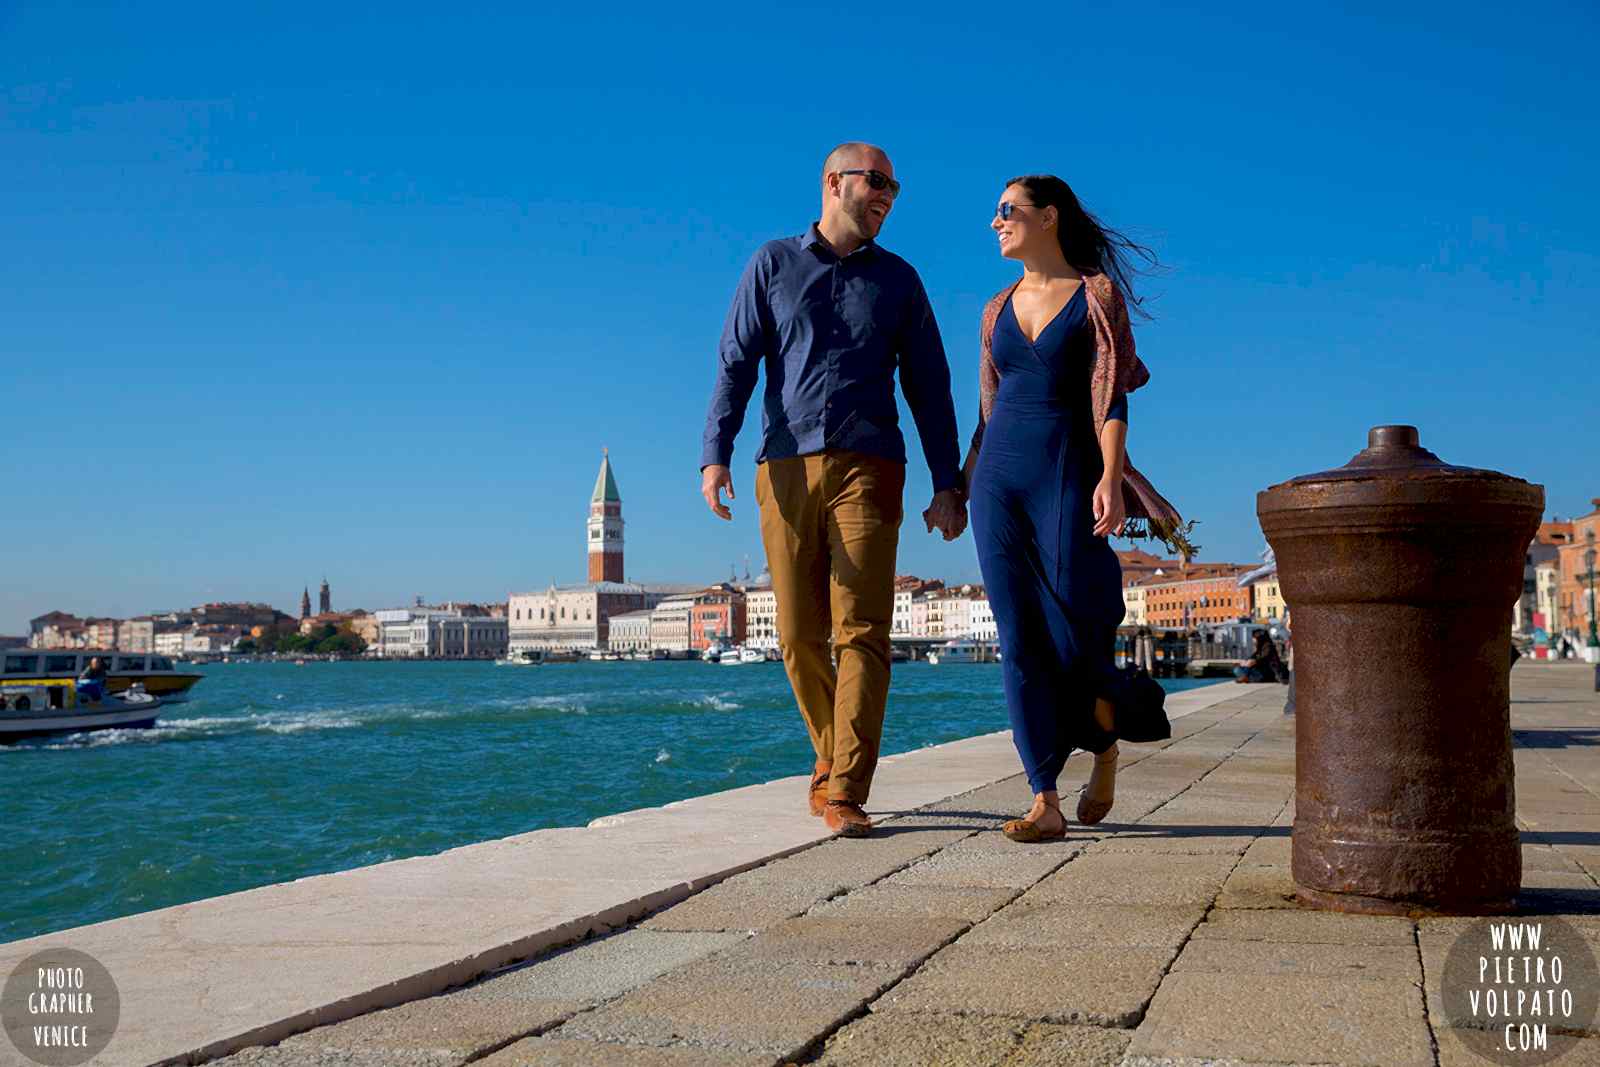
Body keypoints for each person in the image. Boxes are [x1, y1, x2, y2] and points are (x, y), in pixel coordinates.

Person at [700, 142, 966, 837]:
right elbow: (736, 363)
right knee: (795, 634)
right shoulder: (773, 263)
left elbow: (931, 387)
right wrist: (714, 455)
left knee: (862, 629)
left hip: (871, 464)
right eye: (875, 181)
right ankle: (830, 753)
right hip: (783, 465)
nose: (886, 195)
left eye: (894, 187)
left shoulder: (902, 282)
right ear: (832, 183)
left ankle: (845, 786)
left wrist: (949, 483)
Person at [962, 175, 1186, 843]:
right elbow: (986, 408)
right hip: (997, 479)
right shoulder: (994, 308)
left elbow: (1113, 397)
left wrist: (1113, 477)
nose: (995, 222)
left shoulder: (1096, 296)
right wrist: (956, 487)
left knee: (1073, 631)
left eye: (1008, 210)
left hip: (1068, 470)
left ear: (1049, 217)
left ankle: (1106, 743)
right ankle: (1044, 796)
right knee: (1017, 636)